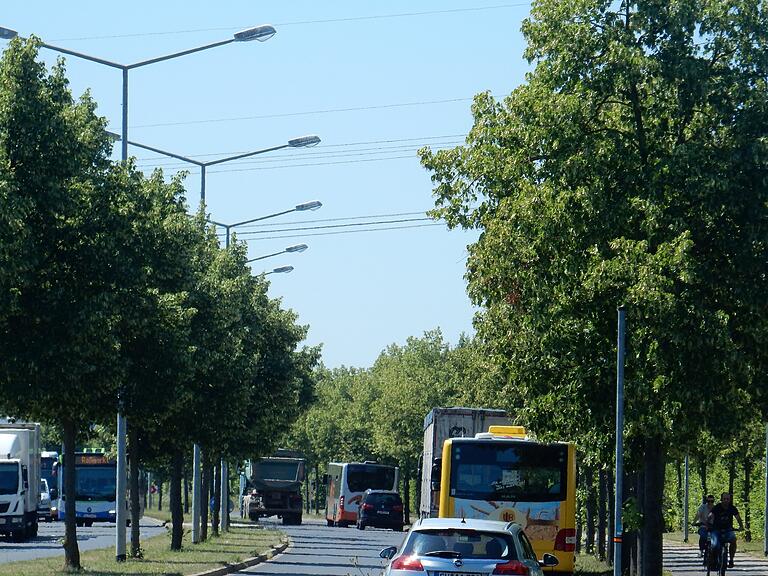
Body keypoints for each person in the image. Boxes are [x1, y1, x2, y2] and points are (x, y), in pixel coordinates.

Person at [707, 492, 744, 568]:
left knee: (733, 540)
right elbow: (710, 515)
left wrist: (741, 526)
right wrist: (708, 523)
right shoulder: (717, 507)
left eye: (728, 499)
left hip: (728, 530)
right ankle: (713, 560)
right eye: (724, 499)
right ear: (721, 499)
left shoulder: (732, 508)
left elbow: (738, 518)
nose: (726, 500)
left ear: (730, 500)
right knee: (715, 545)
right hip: (716, 530)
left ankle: (731, 559)